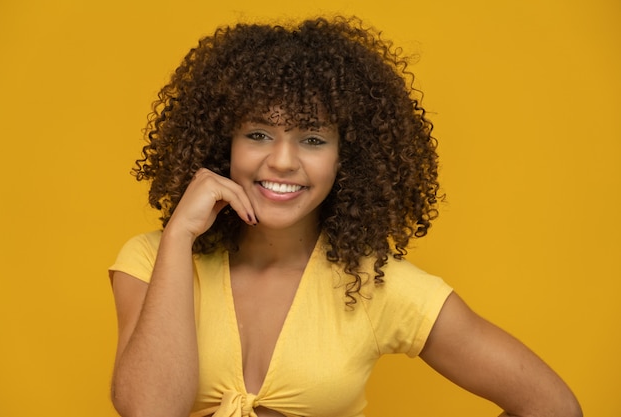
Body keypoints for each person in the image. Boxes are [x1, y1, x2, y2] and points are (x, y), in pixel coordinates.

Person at [108, 16, 582, 417]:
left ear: (346, 158)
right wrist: (179, 236)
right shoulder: (152, 259)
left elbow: (552, 405)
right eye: (258, 133)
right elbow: (149, 410)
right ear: (223, 143)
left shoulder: (375, 285)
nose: (282, 161)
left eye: (313, 139)